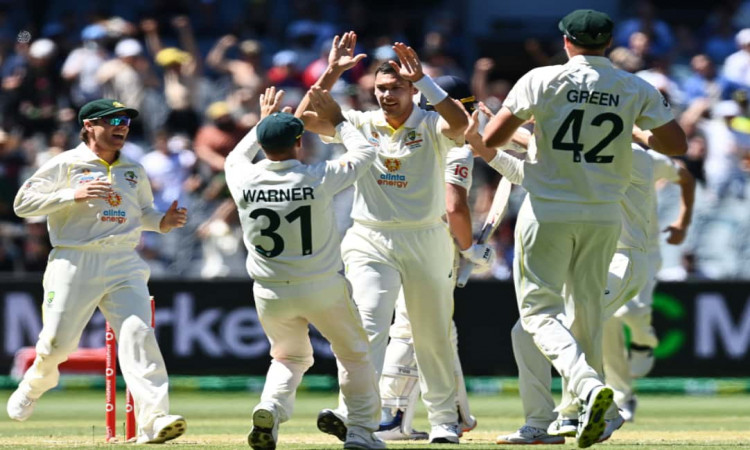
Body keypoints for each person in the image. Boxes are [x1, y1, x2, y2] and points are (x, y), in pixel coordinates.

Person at [482, 9, 686, 448]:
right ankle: (575, 415)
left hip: (550, 210)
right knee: (585, 320)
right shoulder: (634, 86)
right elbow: (678, 145)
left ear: (567, 41)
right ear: (608, 42)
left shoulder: (542, 78)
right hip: (602, 216)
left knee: (538, 314)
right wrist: (633, 130)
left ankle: (590, 390)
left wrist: (511, 126)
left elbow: (496, 137)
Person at [295, 32, 470, 444]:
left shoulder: (430, 123)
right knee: (367, 328)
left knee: (431, 333)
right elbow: (302, 120)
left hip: (426, 238)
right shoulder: (359, 122)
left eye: (395, 88)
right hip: (370, 239)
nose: (387, 95)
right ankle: (357, 416)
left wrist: (426, 80)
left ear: (412, 90)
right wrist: (332, 71)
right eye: (381, 89)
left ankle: (445, 421)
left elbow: (461, 124)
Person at [7, 98, 188, 444]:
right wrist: (72, 194)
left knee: (139, 337)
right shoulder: (66, 163)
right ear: (89, 124)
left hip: (124, 261)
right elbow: (22, 204)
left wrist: (163, 222)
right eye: (114, 120)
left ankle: (155, 419)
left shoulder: (133, 169)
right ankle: (36, 382)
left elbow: (144, 213)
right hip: (74, 261)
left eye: (126, 121)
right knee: (58, 345)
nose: (122, 126)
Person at [225, 86, 384, 450]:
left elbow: (238, 153)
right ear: (300, 143)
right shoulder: (318, 176)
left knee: (289, 356)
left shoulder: (240, 176)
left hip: (269, 291)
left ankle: (271, 407)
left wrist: (264, 122)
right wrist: (341, 122)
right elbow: (365, 153)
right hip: (321, 285)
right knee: (355, 354)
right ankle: (360, 432)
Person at [375, 76, 492, 441]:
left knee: (439, 330)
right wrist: (469, 248)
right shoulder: (452, 144)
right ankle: (390, 415)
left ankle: (454, 414)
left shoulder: (414, 135)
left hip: (395, 240)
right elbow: (454, 205)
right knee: (417, 330)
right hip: (432, 248)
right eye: (467, 109)